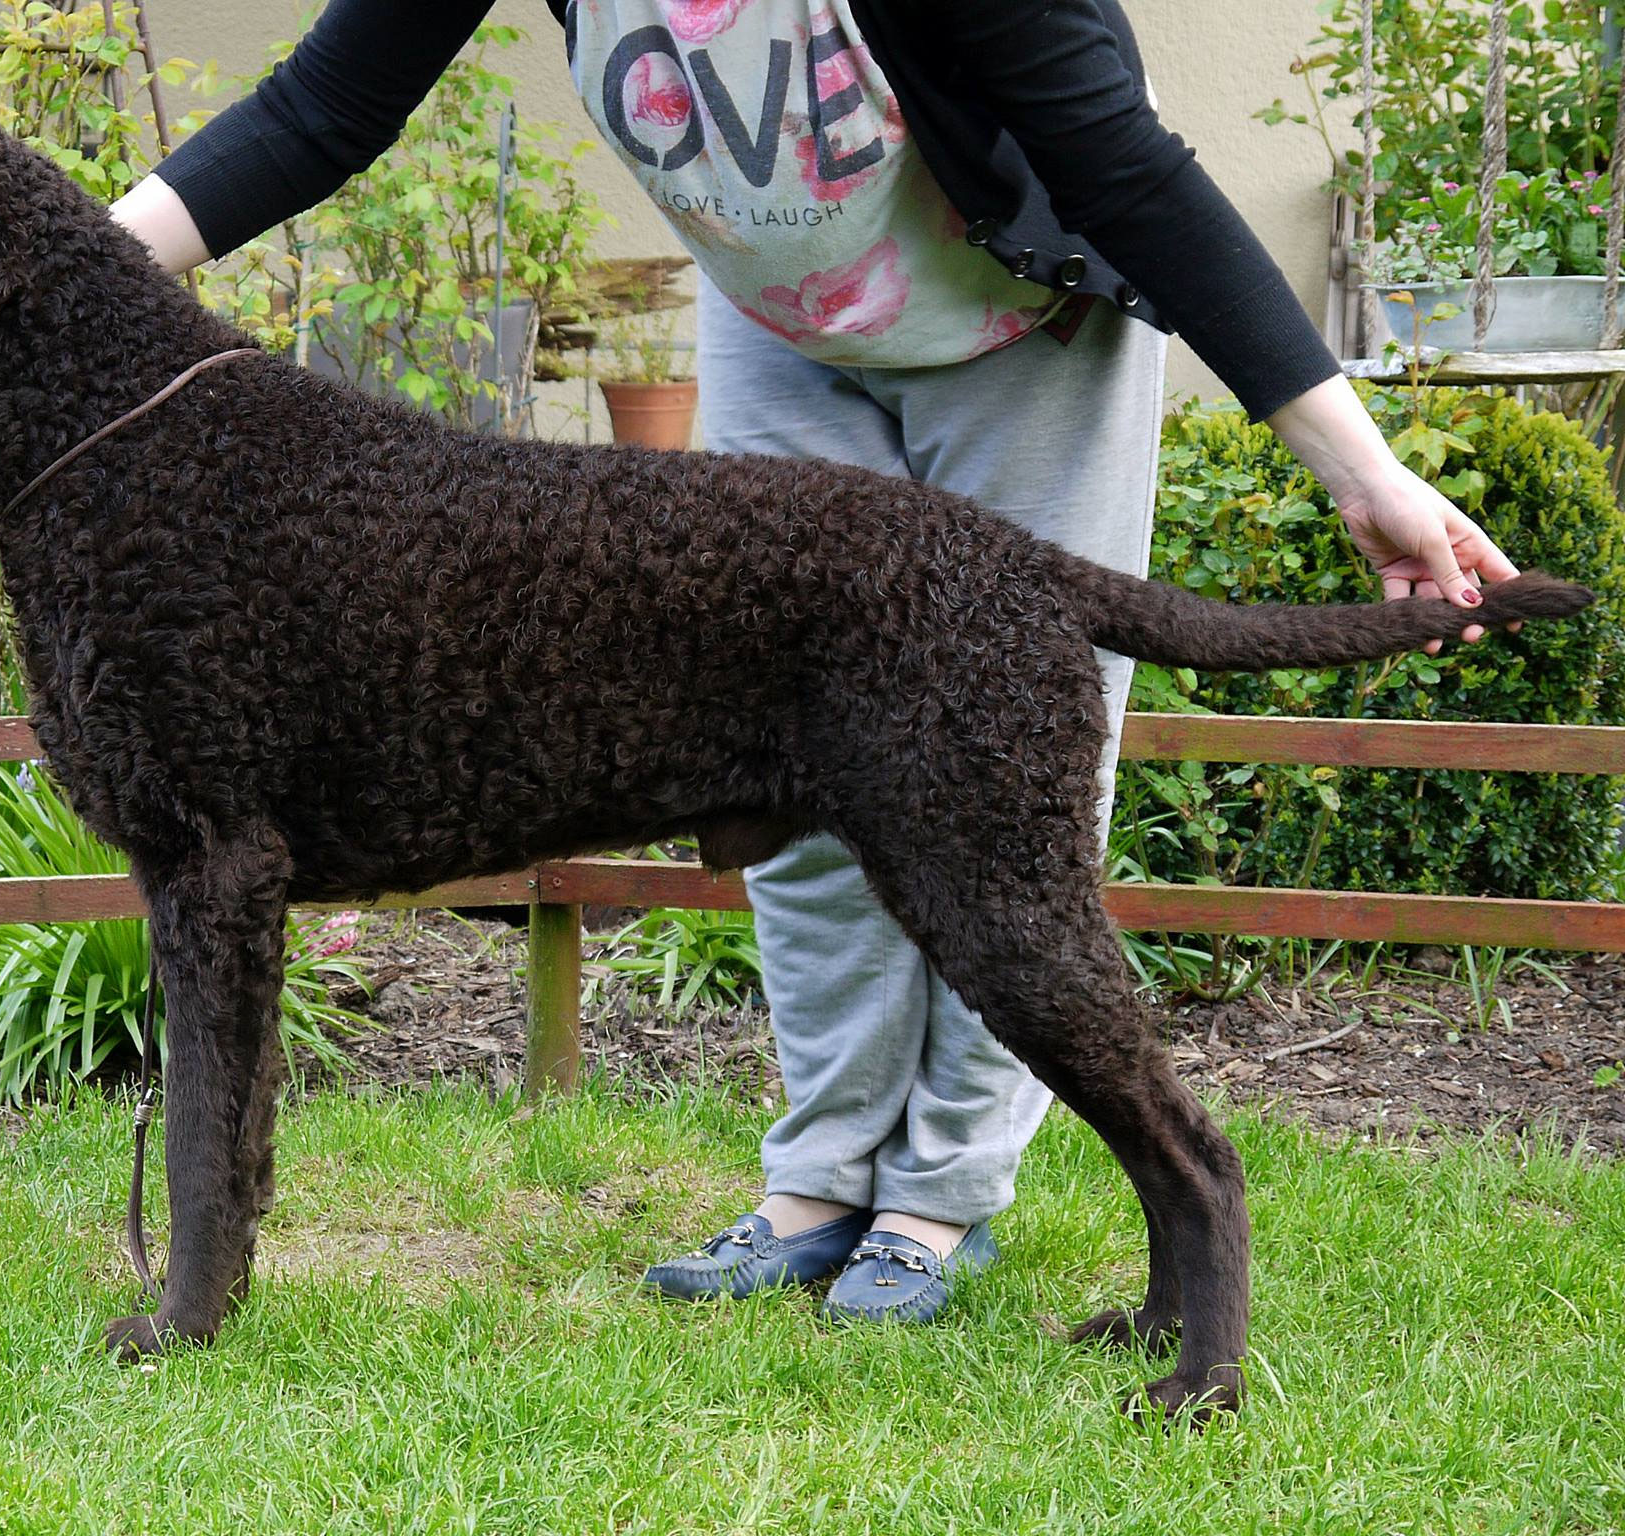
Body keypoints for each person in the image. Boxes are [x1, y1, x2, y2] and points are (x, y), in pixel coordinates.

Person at [109, 0, 1518, 1323]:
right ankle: (824, 1180)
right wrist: (71, 273)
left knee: (985, 805)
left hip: (1020, 312)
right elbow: (321, 108)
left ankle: (942, 1200)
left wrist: (1363, 469)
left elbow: (1125, 166)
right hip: (787, 311)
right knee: (773, 753)